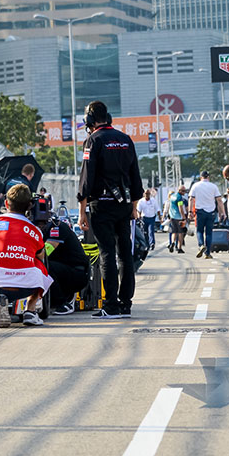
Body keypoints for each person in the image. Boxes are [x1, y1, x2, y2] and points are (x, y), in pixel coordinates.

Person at [77, 100, 144, 319]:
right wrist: (134, 207)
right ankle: (126, 304)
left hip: (102, 206)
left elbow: (86, 179)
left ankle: (111, 306)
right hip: (124, 206)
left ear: (90, 120)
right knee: (125, 253)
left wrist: (81, 211)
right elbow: (135, 176)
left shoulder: (93, 140)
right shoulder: (125, 139)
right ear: (109, 117)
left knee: (107, 253)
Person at [0, 183, 53, 328]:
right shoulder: (35, 231)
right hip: (27, 286)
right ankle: (30, 309)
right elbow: (40, 257)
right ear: (30, 205)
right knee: (39, 263)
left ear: (6, 203)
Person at [37, 209, 90, 315]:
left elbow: (46, 252)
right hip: (64, 269)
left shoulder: (57, 227)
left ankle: (63, 303)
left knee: (44, 265)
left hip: (77, 273)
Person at [188, 170, 224, 259]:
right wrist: (222, 213)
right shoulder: (213, 186)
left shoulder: (195, 186)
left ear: (201, 177)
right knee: (209, 232)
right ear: (208, 177)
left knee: (199, 230)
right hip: (211, 212)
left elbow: (191, 199)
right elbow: (219, 200)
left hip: (200, 211)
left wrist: (190, 212)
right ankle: (207, 253)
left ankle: (201, 245)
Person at [167, 186, 188, 253]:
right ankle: (179, 248)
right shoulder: (179, 198)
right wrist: (184, 217)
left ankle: (172, 242)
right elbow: (180, 208)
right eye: (184, 191)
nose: (184, 192)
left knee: (174, 232)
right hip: (179, 218)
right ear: (180, 191)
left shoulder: (172, 196)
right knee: (180, 233)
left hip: (172, 217)